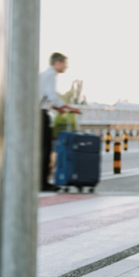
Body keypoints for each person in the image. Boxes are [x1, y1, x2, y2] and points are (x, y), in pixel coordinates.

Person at [39, 52, 81, 192]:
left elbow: (44, 98)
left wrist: (58, 108)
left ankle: (40, 181)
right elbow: (51, 96)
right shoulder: (51, 76)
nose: (66, 67)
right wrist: (68, 107)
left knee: (40, 149)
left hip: (37, 113)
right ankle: (43, 184)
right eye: (65, 64)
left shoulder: (43, 75)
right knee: (45, 149)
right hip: (41, 115)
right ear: (57, 63)